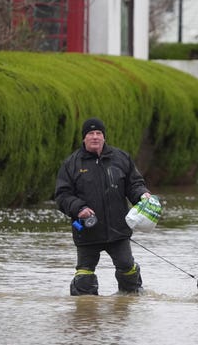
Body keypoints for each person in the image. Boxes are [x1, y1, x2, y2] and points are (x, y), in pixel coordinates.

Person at [55, 117, 153, 296]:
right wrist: (79, 209)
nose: (95, 137)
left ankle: (128, 304)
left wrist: (142, 194)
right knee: (84, 276)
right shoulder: (71, 164)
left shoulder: (121, 158)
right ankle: (86, 315)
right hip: (86, 231)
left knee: (127, 269)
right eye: (90, 133)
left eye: (98, 133)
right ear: (84, 138)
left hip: (118, 230)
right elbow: (62, 195)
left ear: (104, 137)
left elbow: (134, 184)